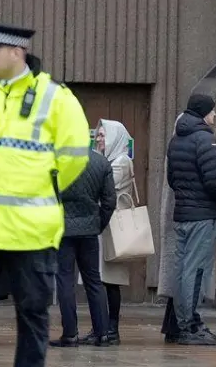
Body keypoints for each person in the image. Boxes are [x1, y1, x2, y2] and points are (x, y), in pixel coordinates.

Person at [0, 23, 91, 367]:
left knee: (31, 316)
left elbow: (74, 156)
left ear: (17, 52)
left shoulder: (55, 97)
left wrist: (39, 187)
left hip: (29, 231)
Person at [167, 92, 216, 345]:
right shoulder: (205, 140)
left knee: (182, 270)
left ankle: (181, 322)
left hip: (183, 213)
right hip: (203, 216)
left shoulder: (176, 140)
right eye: (213, 111)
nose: (215, 115)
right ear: (204, 113)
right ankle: (191, 325)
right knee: (195, 272)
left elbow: (172, 180)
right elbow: (215, 180)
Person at [50, 135, 115, 348]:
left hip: (64, 229)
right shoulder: (101, 163)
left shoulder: (57, 162)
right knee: (94, 281)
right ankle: (102, 333)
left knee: (65, 282)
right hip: (89, 229)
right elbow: (109, 201)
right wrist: (98, 224)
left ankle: (70, 334)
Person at [94, 120, 136, 344]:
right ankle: (100, 327)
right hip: (102, 226)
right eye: (98, 135)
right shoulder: (106, 160)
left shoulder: (121, 162)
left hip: (113, 226)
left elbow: (102, 190)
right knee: (100, 280)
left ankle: (112, 329)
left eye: (103, 135)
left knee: (110, 280)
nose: (99, 139)